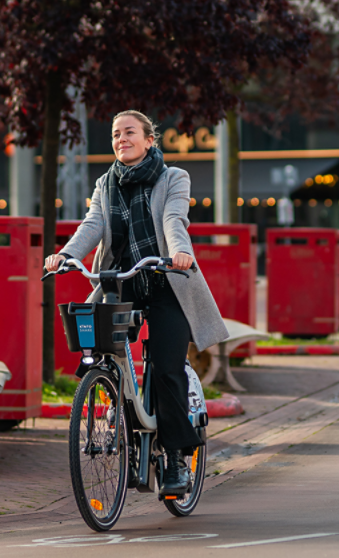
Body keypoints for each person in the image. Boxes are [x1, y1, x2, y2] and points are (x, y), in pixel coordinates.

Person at [45, 110, 228, 495]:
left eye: (129, 132)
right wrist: (64, 255)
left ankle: (176, 459)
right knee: (103, 355)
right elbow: (92, 225)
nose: (121, 139)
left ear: (149, 140)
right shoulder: (105, 183)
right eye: (115, 134)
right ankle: (124, 428)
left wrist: (180, 254)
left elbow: (174, 221)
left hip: (166, 282)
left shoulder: (172, 177)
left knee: (165, 367)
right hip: (121, 281)